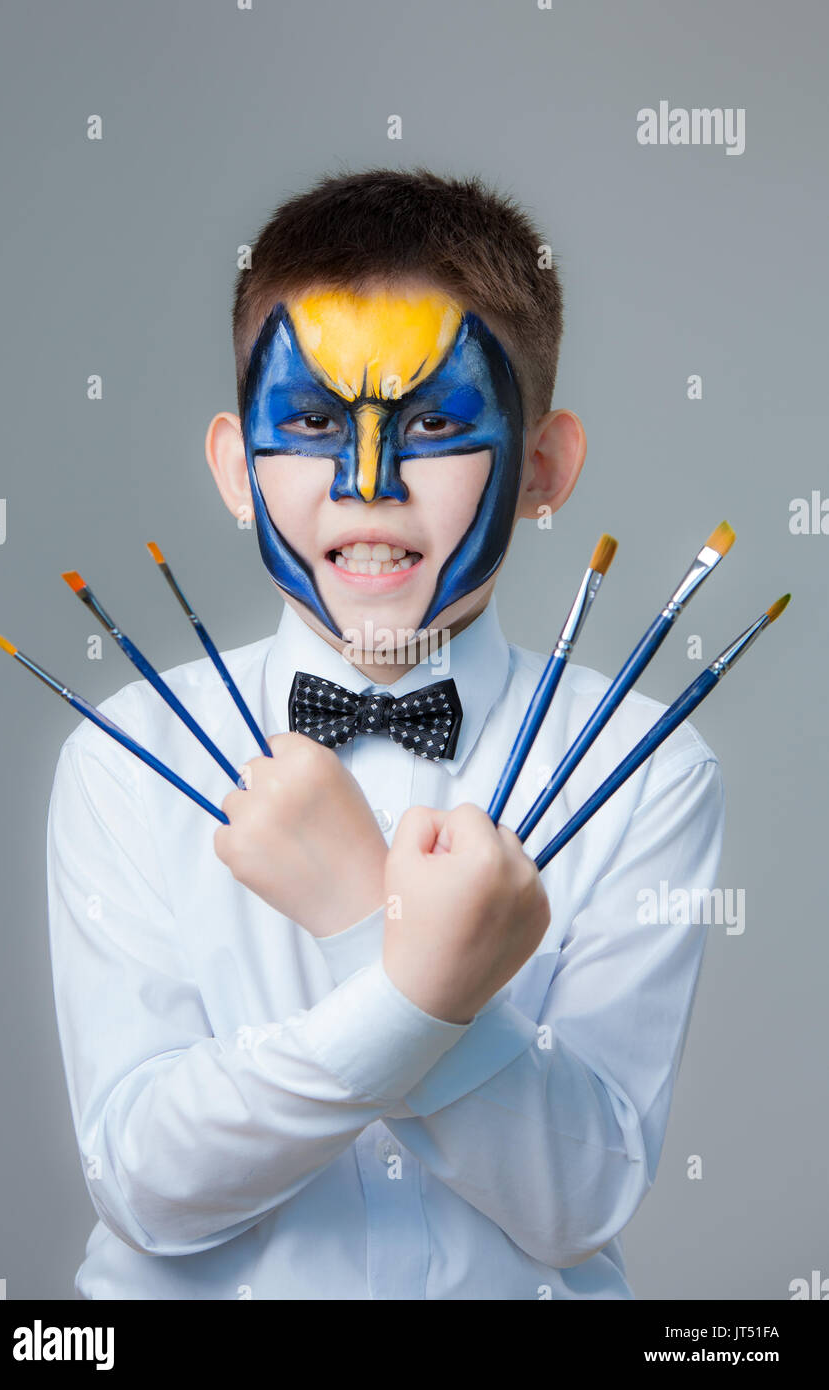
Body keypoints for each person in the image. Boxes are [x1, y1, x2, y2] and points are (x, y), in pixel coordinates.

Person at [47, 168, 724, 1300]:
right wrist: (415, 973)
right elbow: (148, 1187)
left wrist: (356, 909)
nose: (368, 484)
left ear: (543, 471)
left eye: (438, 423)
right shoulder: (124, 757)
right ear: (233, 467)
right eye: (310, 423)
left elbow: (579, 1203)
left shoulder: (644, 765)